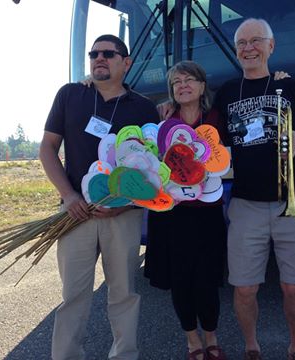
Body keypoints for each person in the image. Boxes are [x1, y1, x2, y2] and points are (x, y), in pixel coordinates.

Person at [213, 18, 295, 360]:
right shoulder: (225, 92)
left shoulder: (291, 87)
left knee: (293, 285)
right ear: (237, 51)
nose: (248, 48)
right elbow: (208, 138)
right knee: (245, 287)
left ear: (270, 46)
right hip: (246, 203)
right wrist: (170, 112)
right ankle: (251, 346)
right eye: (242, 43)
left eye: (255, 41)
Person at [39, 34, 160, 360]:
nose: (99, 58)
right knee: (73, 296)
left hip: (123, 216)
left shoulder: (144, 107)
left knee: (123, 294)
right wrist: (68, 195)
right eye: (94, 54)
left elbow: (153, 171)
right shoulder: (70, 95)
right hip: (75, 213)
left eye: (108, 53)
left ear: (127, 63)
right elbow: (48, 149)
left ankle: (124, 355)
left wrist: (127, 204)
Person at [144, 61, 228, 360]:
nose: (182, 85)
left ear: (202, 86)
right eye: (176, 82)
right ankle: (192, 340)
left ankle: (212, 336)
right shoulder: (164, 124)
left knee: (207, 276)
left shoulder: (218, 119)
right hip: (173, 215)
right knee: (181, 278)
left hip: (208, 212)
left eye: (189, 79)